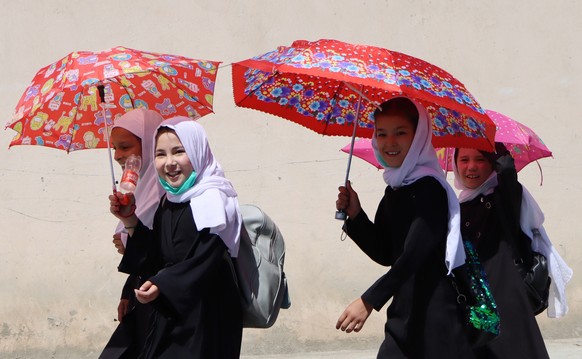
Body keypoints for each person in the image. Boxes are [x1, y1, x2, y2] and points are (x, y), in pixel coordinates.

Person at [335, 97, 473, 358]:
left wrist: (369, 300)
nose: (390, 142)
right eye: (382, 134)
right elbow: (386, 252)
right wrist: (356, 215)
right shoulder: (396, 189)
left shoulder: (430, 189)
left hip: (436, 317)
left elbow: (413, 256)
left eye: (400, 133)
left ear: (419, 136)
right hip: (405, 313)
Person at [107, 117, 243, 358]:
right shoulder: (168, 201)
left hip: (205, 316)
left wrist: (163, 283)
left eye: (179, 152)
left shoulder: (212, 199)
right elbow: (156, 256)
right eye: (160, 154)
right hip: (170, 310)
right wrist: (130, 220)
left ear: (198, 152)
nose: (169, 163)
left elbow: (204, 259)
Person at [453, 145, 572, 358]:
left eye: (480, 159)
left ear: (492, 164)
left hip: (507, 303)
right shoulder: (457, 207)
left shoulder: (501, 198)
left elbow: (509, 185)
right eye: (463, 160)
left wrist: (504, 167)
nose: (471, 167)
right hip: (477, 310)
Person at [100, 108, 165, 358]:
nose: (117, 155)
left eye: (125, 147)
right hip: (143, 298)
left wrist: (131, 229)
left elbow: (164, 253)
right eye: (114, 147)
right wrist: (128, 292)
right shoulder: (143, 189)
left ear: (150, 144)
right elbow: (145, 256)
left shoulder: (170, 192)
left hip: (167, 308)